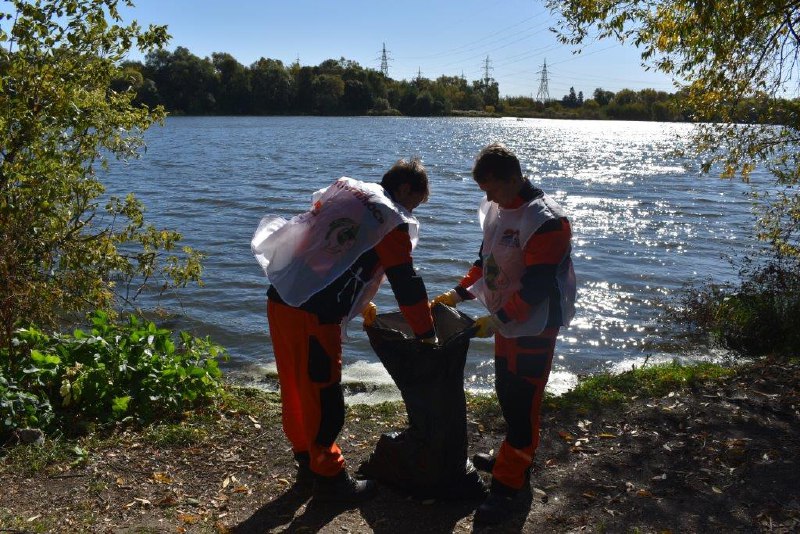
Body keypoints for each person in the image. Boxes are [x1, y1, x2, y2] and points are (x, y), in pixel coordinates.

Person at [252, 158, 437, 504]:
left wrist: (358, 299)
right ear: (404, 189)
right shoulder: (391, 218)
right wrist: (426, 333)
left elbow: (326, 243)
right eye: (416, 201)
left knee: (294, 384)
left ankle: (306, 459)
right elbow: (406, 282)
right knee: (326, 397)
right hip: (315, 315)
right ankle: (332, 481)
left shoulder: (349, 190)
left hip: (282, 297)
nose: (413, 211)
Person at [432, 143, 576, 524]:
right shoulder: (498, 207)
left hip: (535, 327)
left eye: (491, 187)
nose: (487, 196)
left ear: (514, 178)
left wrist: (497, 320)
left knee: (521, 404)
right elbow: (487, 262)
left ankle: (509, 487)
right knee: (505, 393)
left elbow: (536, 288)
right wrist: (459, 292)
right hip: (506, 322)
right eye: (483, 189)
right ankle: (511, 459)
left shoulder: (546, 221)